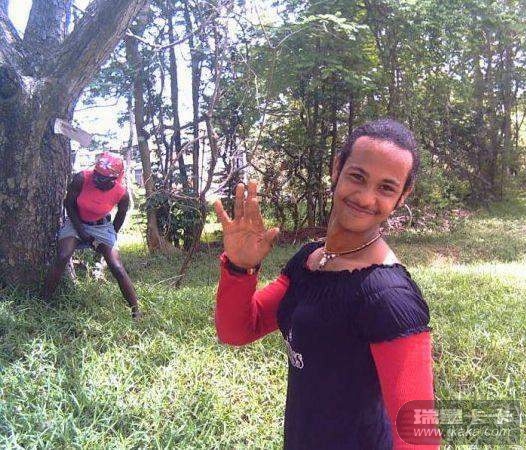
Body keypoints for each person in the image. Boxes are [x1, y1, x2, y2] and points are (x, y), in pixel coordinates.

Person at [214, 119, 440, 449]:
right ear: (337, 169)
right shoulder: (310, 261)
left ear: (402, 195)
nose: (366, 197)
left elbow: (419, 437)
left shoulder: (392, 299)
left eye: (386, 188)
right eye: (357, 177)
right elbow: (238, 330)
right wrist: (239, 266)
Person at [42, 151, 142, 320]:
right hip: (76, 222)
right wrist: (81, 231)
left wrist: (111, 235)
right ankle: (44, 300)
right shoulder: (81, 178)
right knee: (63, 255)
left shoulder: (121, 194)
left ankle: (136, 310)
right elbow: (69, 205)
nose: (96, 178)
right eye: (96, 173)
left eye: (101, 178)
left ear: (113, 179)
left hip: (102, 226)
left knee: (116, 266)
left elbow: (121, 215)